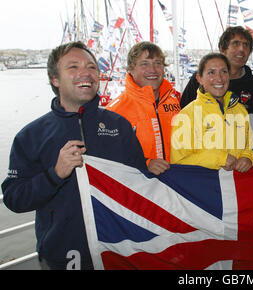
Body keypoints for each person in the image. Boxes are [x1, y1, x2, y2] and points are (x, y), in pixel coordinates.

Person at [1, 42, 147, 270]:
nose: (85, 73)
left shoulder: (119, 126)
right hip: (63, 255)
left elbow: (141, 184)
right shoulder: (31, 136)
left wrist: (154, 169)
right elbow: (14, 199)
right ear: (55, 79)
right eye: (73, 66)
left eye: (91, 67)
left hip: (121, 248)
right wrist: (55, 174)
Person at [171, 53, 253, 172]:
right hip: (204, 187)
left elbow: (249, 146)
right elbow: (178, 162)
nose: (219, 78)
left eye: (224, 72)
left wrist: (248, 157)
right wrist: (219, 159)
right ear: (199, 78)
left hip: (235, 186)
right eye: (211, 72)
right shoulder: (187, 115)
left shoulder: (240, 110)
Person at [106, 41, 180, 175]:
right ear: (131, 69)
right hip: (139, 187)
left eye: (158, 63)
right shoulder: (115, 110)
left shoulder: (173, 102)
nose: (152, 70)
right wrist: (145, 163)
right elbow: (109, 158)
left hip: (175, 183)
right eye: (144, 64)